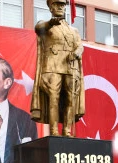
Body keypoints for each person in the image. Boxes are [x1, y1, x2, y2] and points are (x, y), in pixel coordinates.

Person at [31, 0, 85, 136]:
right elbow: (39, 28)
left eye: (62, 4)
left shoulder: (73, 30)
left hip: (70, 67)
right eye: (56, 4)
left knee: (71, 99)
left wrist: (77, 52)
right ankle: (54, 131)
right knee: (53, 98)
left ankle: (67, 130)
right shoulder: (46, 25)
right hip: (52, 66)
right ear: (50, 7)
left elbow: (79, 45)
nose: (60, 7)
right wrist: (51, 23)